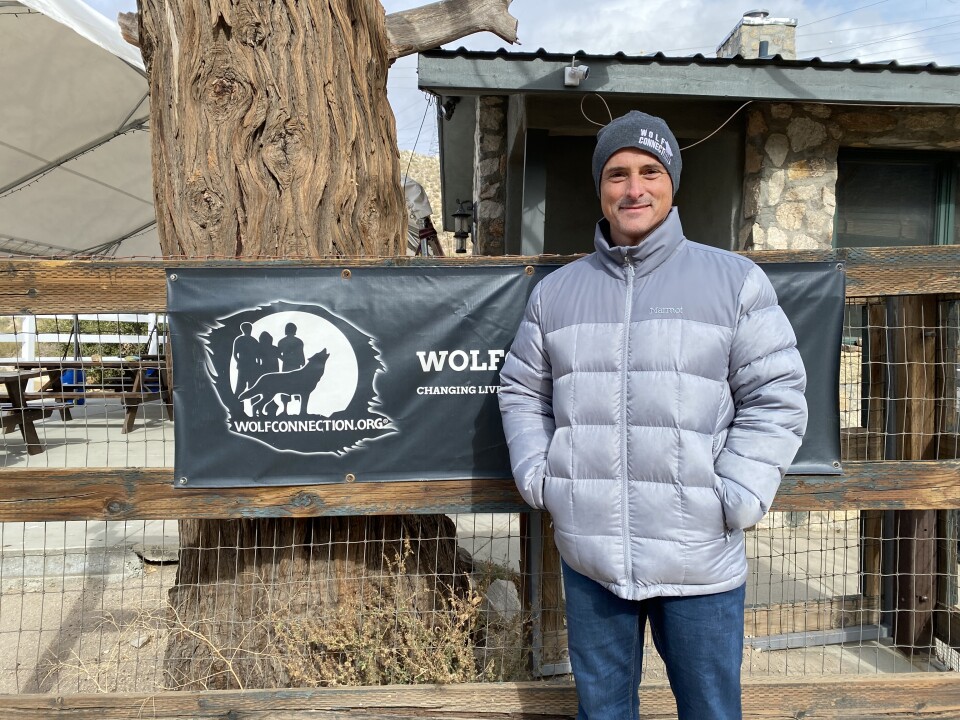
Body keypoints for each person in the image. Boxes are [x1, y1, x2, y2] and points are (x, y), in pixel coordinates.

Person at [498, 110, 808, 720]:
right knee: (603, 712)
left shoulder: (735, 282)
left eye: (649, 171)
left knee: (710, 711)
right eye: (617, 174)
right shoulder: (556, 293)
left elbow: (777, 397)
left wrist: (737, 492)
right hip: (593, 560)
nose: (633, 188)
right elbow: (522, 391)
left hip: (699, 559)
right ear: (601, 188)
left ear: (671, 184)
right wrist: (541, 476)